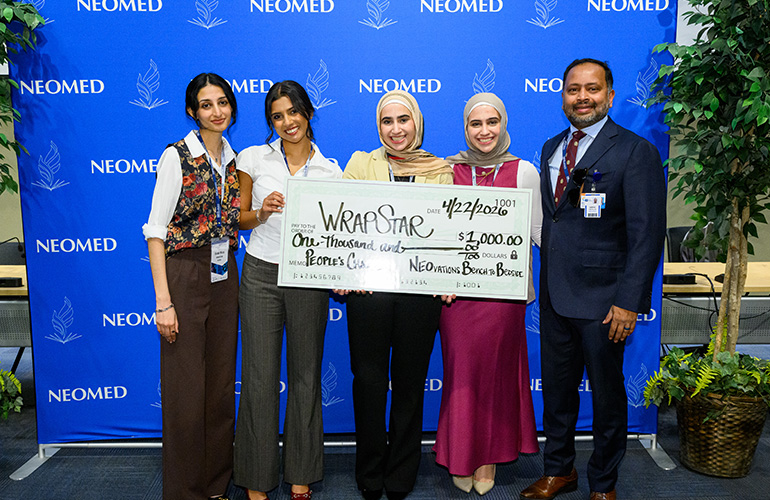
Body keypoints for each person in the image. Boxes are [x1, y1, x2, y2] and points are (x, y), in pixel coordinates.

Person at [520, 59, 666, 500]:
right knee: (557, 393)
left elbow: (646, 234)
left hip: (605, 302)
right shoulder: (551, 148)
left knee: (606, 397)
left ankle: (603, 482)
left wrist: (629, 301)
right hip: (555, 296)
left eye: (592, 89)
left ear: (610, 95)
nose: (582, 97)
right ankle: (559, 470)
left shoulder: (635, 151)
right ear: (563, 96)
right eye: (573, 89)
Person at [339, 90, 454, 500]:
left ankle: (402, 469)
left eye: (403, 119)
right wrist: (342, 271)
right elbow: (341, 227)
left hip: (419, 297)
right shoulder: (360, 164)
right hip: (368, 293)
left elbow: (448, 233)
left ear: (416, 122)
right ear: (378, 126)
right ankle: (370, 470)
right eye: (387, 121)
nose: (396, 129)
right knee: (368, 382)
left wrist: (450, 276)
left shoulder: (440, 170)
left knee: (409, 384)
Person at [233, 81, 342, 500]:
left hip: (309, 278)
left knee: (305, 375)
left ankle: (301, 471)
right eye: (277, 116)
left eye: (293, 112)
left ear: (308, 113)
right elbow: (239, 218)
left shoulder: (331, 171)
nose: (287, 122)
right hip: (260, 272)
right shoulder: (252, 158)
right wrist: (261, 212)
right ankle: (257, 476)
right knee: (259, 377)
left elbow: (338, 236)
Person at [434, 93, 541, 496]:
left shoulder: (523, 171)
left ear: (503, 124)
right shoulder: (448, 170)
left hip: (503, 298)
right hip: (456, 299)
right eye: (475, 124)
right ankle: (461, 455)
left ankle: (487, 460)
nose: (484, 131)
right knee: (461, 376)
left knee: (497, 376)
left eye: (492, 122)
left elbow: (539, 232)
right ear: (465, 128)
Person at [143, 72, 240, 500]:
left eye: (223, 102)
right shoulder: (176, 156)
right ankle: (185, 492)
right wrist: (164, 302)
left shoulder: (233, 159)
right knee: (185, 390)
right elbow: (156, 232)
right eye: (206, 104)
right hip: (183, 273)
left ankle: (216, 485)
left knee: (219, 386)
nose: (216, 111)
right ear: (192, 111)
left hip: (225, 272)